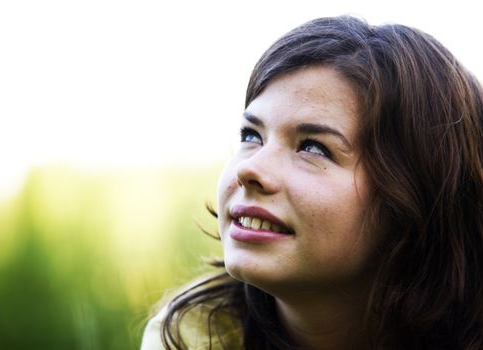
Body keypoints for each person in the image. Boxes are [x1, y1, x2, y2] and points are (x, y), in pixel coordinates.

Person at [140, 15, 483, 350]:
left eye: (313, 147)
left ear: (413, 197)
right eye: (252, 135)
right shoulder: (193, 334)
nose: (250, 170)